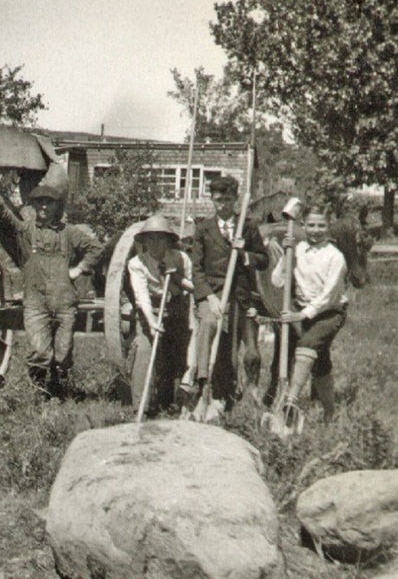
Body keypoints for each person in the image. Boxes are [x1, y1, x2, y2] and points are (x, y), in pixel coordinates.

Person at [0, 165, 104, 397]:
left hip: (64, 303)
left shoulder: (70, 232)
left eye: (49, 202)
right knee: (39, 352)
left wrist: (80, 269)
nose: (44, 206)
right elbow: (5, 216)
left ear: (58, 206)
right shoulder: (26, 230)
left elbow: (96, 248)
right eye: (40, 202)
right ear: (34, 205)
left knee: (63, 354)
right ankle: (38, 395)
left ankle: (59, 392)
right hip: (36, 302)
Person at [186, 174, 268, 418]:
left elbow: (263, 260)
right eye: (218, 199)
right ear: (212, 199)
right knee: (210, 325)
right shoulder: (203, 229)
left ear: (235, 200)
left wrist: (244, 254)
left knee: (247, 350)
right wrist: (209, 297)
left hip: (241, 296)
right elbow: (196, 269)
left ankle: (246, 393)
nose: (222, 205)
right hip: (212, 295)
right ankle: (203, 386)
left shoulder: (248, 227)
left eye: (228, 199)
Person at [270, 206, 348, 422]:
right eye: (311, 225)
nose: (315, 230)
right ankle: (330, 412)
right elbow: (277, 281)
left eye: (321, 225)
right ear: (303, 225)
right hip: (303, 309)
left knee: (306, 345)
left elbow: (328, 295)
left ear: (328, 226)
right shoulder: (297, 249)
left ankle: (289, 403)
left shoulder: (335, 256)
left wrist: (302, 315)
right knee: (320, 361)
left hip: (330, 312)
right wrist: (285, 257)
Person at [127, 215, 194, 416]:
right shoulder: (136, 263)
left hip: (175, 307)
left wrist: (177, 279)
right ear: (144, 241)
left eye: (160, 238)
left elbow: (192, 287)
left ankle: (170, 402)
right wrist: (152, 322)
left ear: (167, 240)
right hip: (150, 309)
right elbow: (141, 297)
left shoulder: (181, 258)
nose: (155, 243)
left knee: (174, 357)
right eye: (151, 239)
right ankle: (141, 406)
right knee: (145, 352)